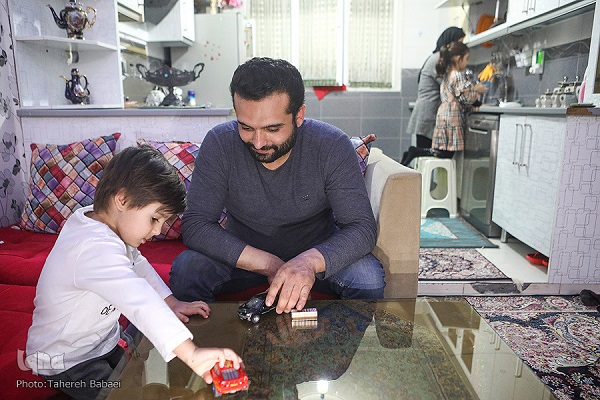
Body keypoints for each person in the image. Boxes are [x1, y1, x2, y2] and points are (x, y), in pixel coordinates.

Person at [169, 57, 385, 314]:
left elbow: (361, 228)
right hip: (244, 256)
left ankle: (334, 340)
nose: (258, 142)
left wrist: (307, 263)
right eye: (246, 127)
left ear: (299, 115)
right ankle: (216, 339)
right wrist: (270, 265)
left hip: (316, 254)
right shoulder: (219, 144)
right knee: (187, 271)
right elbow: (196, 225)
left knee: (368, 278)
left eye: (272, 129)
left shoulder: (331, 146)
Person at [26, 145, 242, 400]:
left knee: (146, 369)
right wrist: (192, 354)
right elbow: (139, 300)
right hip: (68, 360)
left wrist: (170, 302)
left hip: (102, 341)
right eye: (154, 219)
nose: (157, 231)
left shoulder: (102, 224)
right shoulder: (92, 248)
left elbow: (138, 266)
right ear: (123, 200)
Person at [401, 41, 488, 166]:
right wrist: (475, 92)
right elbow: (464, 97)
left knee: (443, 149)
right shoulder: (458, 76)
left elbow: (455, 96)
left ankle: (416, 151)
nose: (467, 62)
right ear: (458, 59)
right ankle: (416, 151)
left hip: (444, 114)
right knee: (448, 152)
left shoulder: (447, 75)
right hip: (452, 118)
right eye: (466, 59)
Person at [402, 26, 466, 165]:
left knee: (425, 158)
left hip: (427, 111)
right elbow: (451, 86)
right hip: (428, 112)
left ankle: (413, 157)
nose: (461, 46)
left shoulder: (436, 57)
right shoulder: (439, 59)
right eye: (459, 42)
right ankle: (414, 158)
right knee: (428, 157)